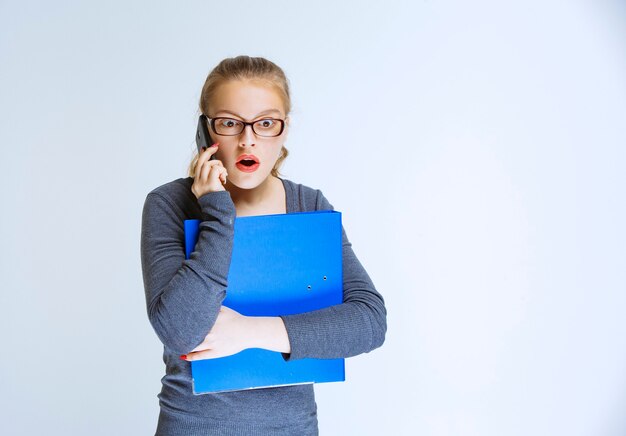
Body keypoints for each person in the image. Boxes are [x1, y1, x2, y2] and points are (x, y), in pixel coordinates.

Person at [140, 55, 387, 435]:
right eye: (229, 123)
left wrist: (249, 332)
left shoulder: (309, 206)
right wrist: (218, 212)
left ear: (284, 129)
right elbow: (179, 331)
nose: (248, 139)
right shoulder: (169, 204)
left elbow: (368, 322)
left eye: (266, 123)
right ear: (206, 130)